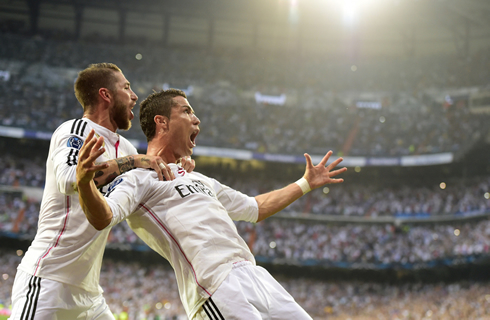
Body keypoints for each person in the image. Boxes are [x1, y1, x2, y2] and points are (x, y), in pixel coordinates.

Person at [76, 89, 347, 320]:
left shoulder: (201, 178)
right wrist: (86, 181)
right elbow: (104, 217)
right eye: (187, 112)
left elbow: (255, 208)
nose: (197, 119)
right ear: (162, 122)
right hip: (215, 287)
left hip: (255, 275)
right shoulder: (139, 179)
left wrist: (305, 183)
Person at [9, 64, 193, 320]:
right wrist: (134, 162)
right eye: (126, 87)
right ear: (106, 95)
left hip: (89, 296)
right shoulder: (75, 130)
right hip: (48, 280)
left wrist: (179, 171)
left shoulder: (126, 147)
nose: (134, 95)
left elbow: (149, 189)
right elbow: (69, 178)